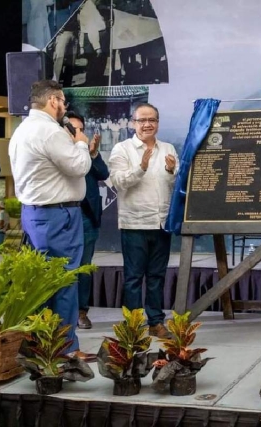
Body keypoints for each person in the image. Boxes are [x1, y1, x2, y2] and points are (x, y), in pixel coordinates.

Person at [9, 79, 93, 360]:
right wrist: (81, 144)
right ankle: (66, 349)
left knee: (41, 283)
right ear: (54, 100)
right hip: (59, 216)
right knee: (64, 281)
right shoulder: (50, 131)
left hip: (35, 214)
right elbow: (79, 166)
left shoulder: (22, 130)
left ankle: (38, 345)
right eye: (63, 102)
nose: (64, 108)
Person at [108, 103, 178, 339]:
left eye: (152, 120)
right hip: (135, 223)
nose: (147, 124)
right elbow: (118, 181)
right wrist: (141, 168)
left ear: (158, 122)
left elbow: (172, 185)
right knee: (134, 278)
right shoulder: (122, 148)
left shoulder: (168, 148)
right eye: (142, 120)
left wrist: (171, 172)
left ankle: (156, 322)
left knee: (157, 277)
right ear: (132, 123)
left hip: (161, 223)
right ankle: (134, 326)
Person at [64, 111, 109, 330]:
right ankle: (61, 313)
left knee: (84, 267)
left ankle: (82, 311)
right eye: (73, 129)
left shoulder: (87, 152)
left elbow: (103, 173)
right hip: (61, 215)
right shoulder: (58, 150)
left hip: (87, 216)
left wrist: (93, 154)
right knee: (62, 267)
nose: (77, 133)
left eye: (81, 129)